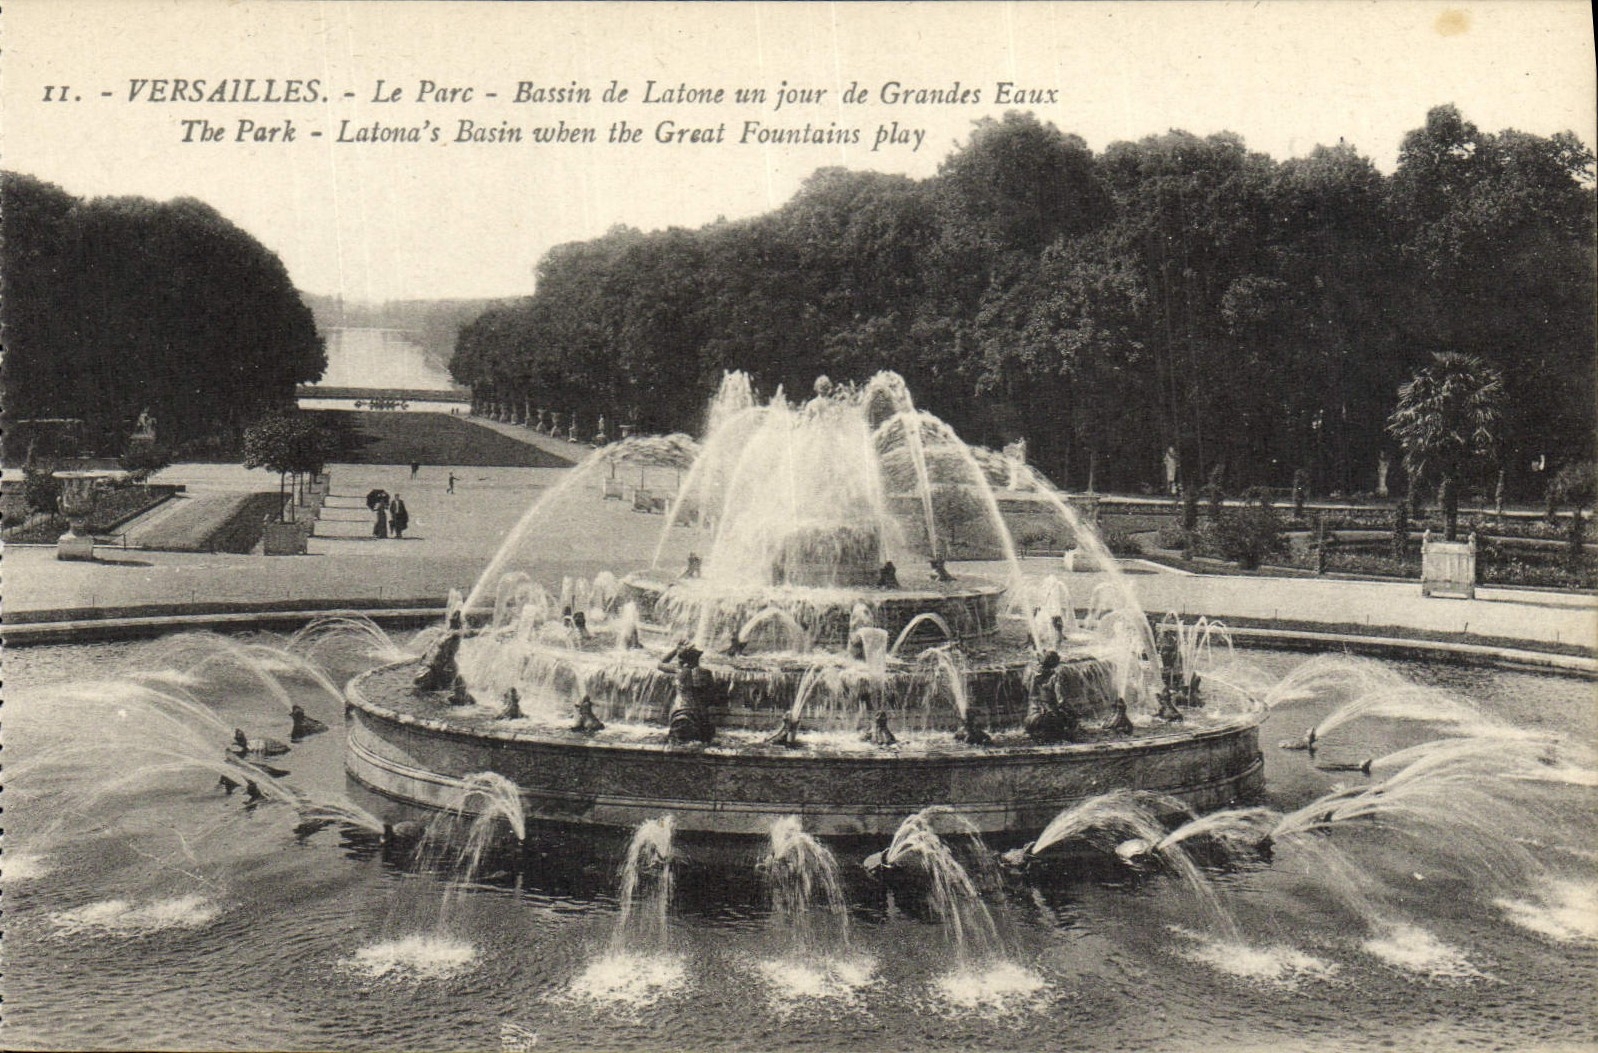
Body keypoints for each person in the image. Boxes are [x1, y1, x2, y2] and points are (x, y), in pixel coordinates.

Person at [659, 641, 715, 744]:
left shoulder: (678, 670)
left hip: (679, 708)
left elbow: (660, 664)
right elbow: (711, 696)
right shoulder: (706, 673)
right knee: (702, 741)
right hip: (699, 712)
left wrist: (676, 650)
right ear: (697, 658)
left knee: (676, 741)